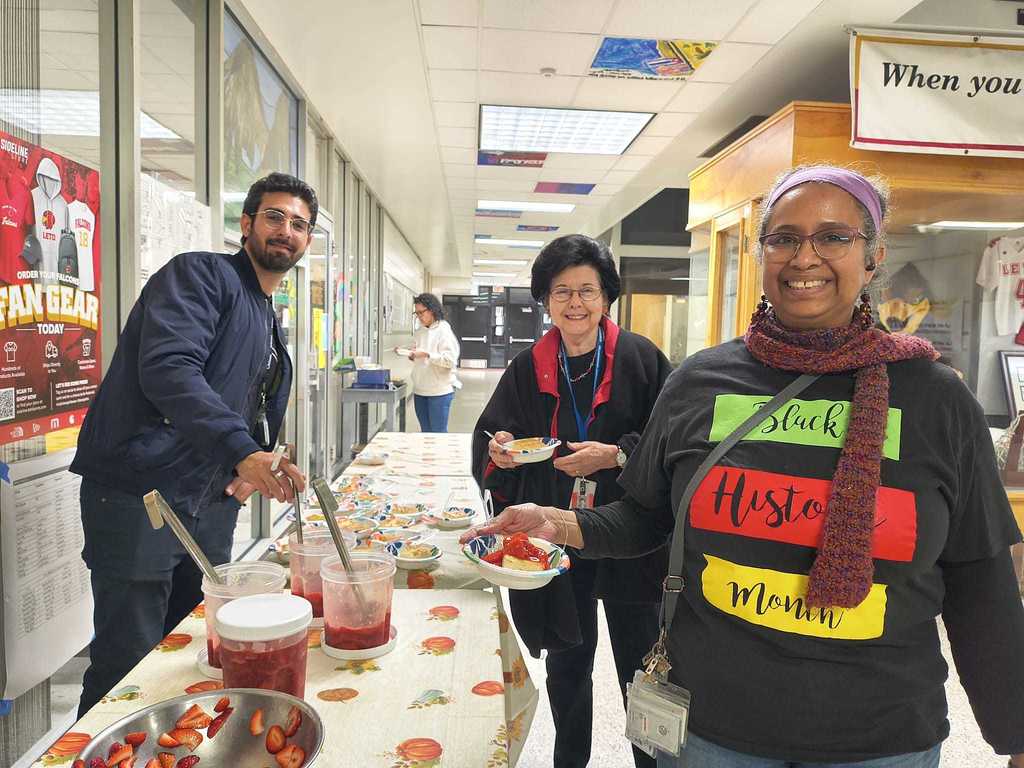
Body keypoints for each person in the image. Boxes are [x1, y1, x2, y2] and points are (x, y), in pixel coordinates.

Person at [463, 167, 1024, 768]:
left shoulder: (937, 401)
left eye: (833, 236)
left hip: (878, 732)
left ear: (873, 255)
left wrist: (1015, 737)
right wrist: (558, 523)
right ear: (762, 253)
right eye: (783, 238)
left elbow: (980, 581)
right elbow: (646, 516)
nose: (805, 256)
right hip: (715, 728)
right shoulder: (701, 383)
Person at [71, 172, 314, 717]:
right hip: (142, 497)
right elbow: (169, 370)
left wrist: (253, 463)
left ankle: (168, 748)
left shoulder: (264, 313)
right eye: (275, 216)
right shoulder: (201, 277)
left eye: (299, 224)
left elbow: (241, 400)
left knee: (185, 654)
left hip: (207, 507)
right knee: (126, 662)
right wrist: (240, 450)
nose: (286, 230)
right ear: (246, 224)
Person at [472, 234, 672, 768]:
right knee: (567, 663)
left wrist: (619, 455)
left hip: (630, 536)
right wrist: (503, 453)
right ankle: (569, 759)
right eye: (562, 292)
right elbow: (490, 436)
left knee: (640, 663)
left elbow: (673, 441)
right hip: (554, 535)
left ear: (607, 296)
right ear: (546, 299)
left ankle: (648, 761)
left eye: (587, 290)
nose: (575, 303)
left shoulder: (642, 359)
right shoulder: (527, 366)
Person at [403, 292, 460, 433]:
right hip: (420, 390)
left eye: (422, 312)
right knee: (425, 433)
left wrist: (428, 354)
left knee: (438, 434)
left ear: (432, 310)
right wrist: (412, 355)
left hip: (439, 392)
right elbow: (420, 356)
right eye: (416, 313)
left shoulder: (443, 330)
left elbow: (449, 360)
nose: (419, 317)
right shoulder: (420, 332)